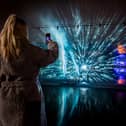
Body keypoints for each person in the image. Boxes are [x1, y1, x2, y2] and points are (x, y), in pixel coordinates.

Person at [0, 14, 58, 126]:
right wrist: (51, 44)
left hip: (4, 101)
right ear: (23, 32)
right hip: (28, 100)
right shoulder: (30, 51)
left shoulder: (1, 51)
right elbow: (52, 55)